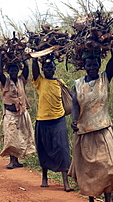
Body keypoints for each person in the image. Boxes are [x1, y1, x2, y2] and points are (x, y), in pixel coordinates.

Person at [68, 42, 113, 202]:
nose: (92, 67)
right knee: (88, 170)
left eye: (95, 64)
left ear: (99, 65)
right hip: (84, 132)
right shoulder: (77, 84)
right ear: (83, 66)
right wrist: (74, 120)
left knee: (108, 166)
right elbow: (75, 104)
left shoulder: (104, 78)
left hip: (103, 129)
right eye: (88, 65)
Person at [31, 57, 73, 192]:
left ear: (55, 69)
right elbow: (34, 71)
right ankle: (44, 177)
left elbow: (70, 97)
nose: (49, 69)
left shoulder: (60, 83)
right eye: (46, 68)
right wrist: (34, 59)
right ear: (43, 69)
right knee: (43, 149)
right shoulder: (40, 81)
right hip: (42, 120)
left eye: (51, 67)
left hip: (58, 120)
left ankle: (65, 182)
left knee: (62, 149)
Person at [0, 55, 36, 169]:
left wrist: (24, 59)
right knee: (11, 137)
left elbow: (26, 69)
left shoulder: (21, 81)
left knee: (22, 135)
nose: (13, 72)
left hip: (22, 113)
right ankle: (12, 161)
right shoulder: (5, 81)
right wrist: (0, 59)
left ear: (17, 70)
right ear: (8, 71)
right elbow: (0, 73)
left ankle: (17, 160)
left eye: (15, 69)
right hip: (10, 114)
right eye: (11, 70)